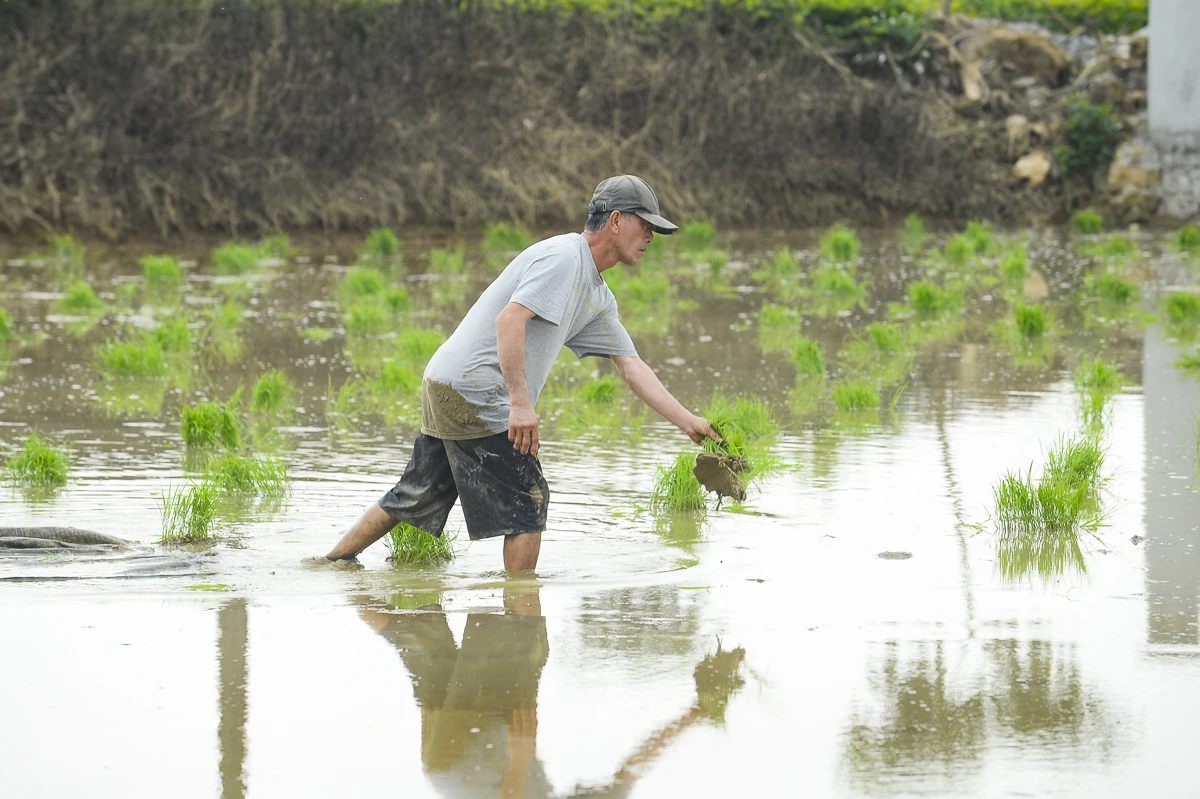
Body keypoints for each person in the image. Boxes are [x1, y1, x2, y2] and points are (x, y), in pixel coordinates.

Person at [325, 175, 721, 571]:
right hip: (478, 389)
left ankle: (332, 563)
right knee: (529, 501)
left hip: (445, 381)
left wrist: (689, 423)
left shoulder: (597, 295)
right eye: (646, 224)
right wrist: (520, 404)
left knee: (417, 494)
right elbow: (509, 320)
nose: (651, 236)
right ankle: (520, 604)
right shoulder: (565, 258)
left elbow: (632, 367)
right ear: (616, 220)